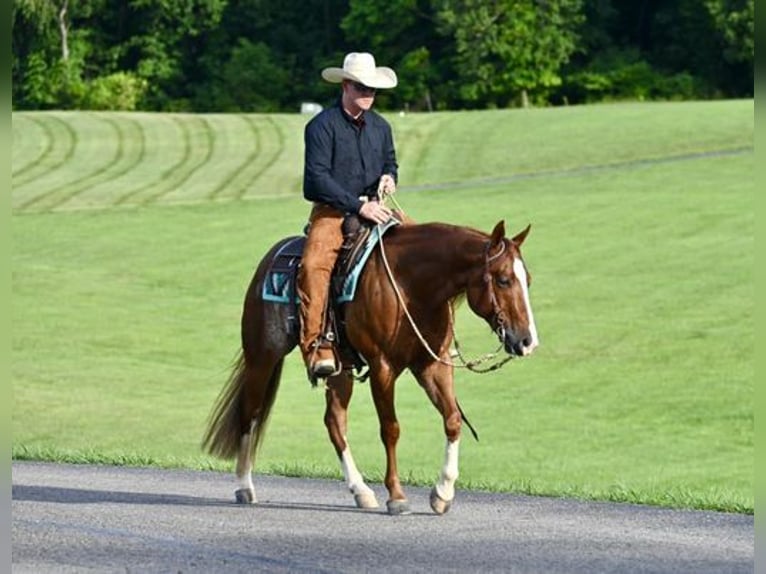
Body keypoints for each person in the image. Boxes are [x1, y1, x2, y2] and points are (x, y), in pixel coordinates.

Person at [297, 52, 399, 381]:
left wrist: (389, 177)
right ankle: (315, 346)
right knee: (314, 266)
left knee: (420, 248)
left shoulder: (381, 127)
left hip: (376, 207)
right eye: (361, 87)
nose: (368, 94)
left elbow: (390, 161)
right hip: (332, 212)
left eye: (373, 89)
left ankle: (423, 333)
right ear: (345, 85)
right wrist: (358, 206)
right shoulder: (320, 127)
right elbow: (316, 180)